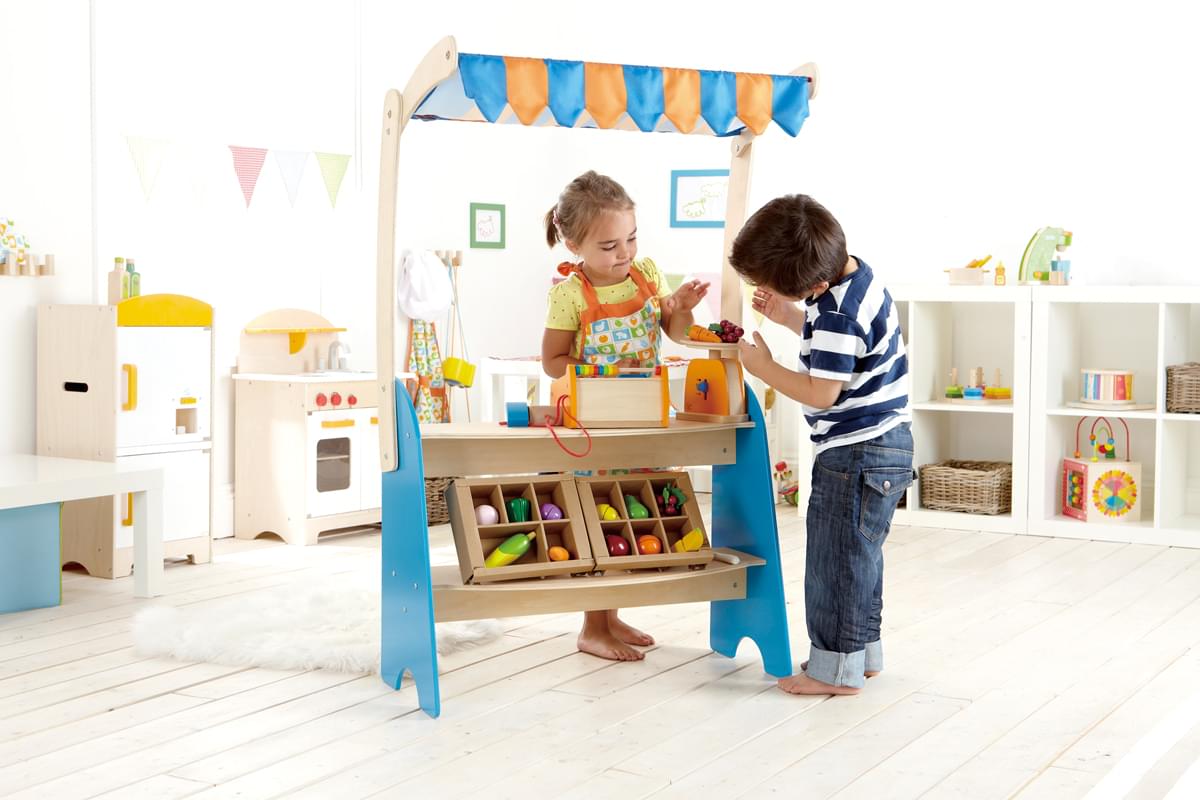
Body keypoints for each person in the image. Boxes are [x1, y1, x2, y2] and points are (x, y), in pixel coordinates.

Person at [729, 194, 913, 695]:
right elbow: (840, 344)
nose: (766, 291)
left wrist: (764, 367)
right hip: (887, 445)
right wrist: (791, 316)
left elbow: (821, 392)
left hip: (854, 454)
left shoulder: (834, 314)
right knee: (860, 560)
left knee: (834, 566)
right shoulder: (857, 281)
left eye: (773, 286)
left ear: (814, 285)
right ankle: (861, 655)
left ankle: (833, 672)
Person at [541, 170, 709, 661]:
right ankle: (592, 627)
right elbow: (552, 361)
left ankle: (612, 616)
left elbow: (676, 332)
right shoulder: (569, 294)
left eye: (631, 239)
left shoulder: (646, 273)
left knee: (633, 514)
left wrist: (681, 307)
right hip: (594, 426)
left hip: (643, 417)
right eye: (610, 245)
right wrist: (604, 372)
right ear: (574, 244)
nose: (625, 253)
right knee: (598, 517)